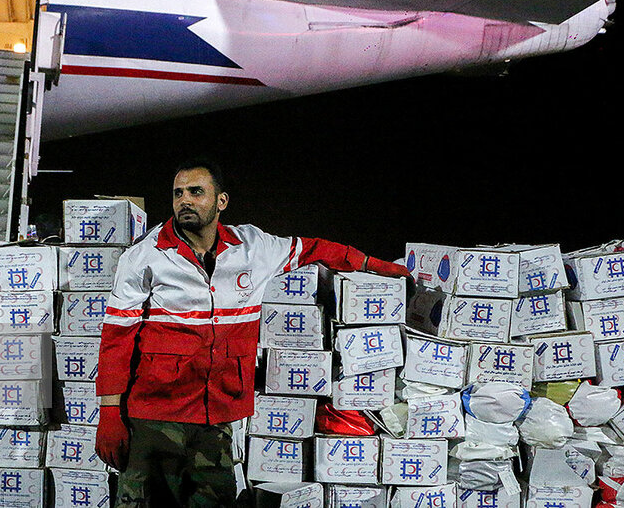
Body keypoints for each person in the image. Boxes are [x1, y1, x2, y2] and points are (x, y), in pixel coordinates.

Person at [95, 158, 411, 507]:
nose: (184, 200)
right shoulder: (145, 255)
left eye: (196, 192)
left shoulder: (253, 247)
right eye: (178, 193)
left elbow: (314, 249)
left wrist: (370, 264)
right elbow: (116, 337)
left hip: (216, 419)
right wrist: (110, 413)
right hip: (154, 418)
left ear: (221, 201)